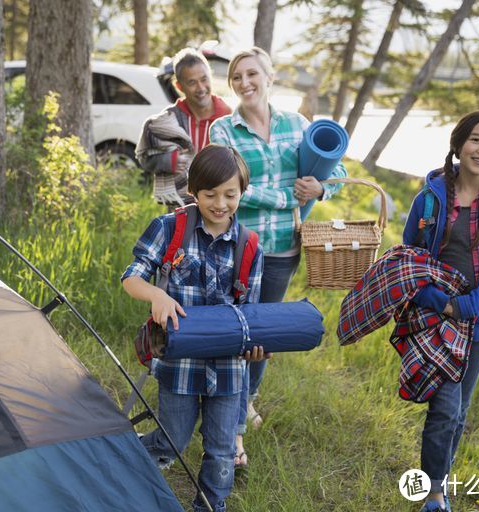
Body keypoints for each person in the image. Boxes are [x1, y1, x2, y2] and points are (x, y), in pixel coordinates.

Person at [209, 47, 346, 459]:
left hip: (283, 249)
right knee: (236, 328)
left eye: (253, 74)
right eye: (237, 77)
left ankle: (247, 396)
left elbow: (335, 169)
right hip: (238, 248)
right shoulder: (223, 130)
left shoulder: (296, 123)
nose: (245, 83)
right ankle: (226, 414)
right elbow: (233, 187)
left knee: (264, 332)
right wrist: (289, 197)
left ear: (269, 77)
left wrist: (322, 189)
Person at [122, 144, 265, 512]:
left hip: (229, 369)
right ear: (193, 191)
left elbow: (252, 314)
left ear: (241, 193)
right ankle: (122, 460)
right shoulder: (170, 228)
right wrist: (155, 294)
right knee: (172, 441)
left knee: (220, 452)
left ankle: (210, 506)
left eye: (230, 194)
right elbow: (131, 277)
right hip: (179, 365)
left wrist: (255, 345)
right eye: (210, 194)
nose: (220, 203)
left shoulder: (250, 246)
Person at [402, 111, 479, 511]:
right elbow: (410, 257)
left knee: (459, 411)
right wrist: (439, 302)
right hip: (435, 317)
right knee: (444, 408)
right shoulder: (431, 196)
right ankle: (434, 495)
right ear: (458, 144)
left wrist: (467, 305)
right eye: (477, 140)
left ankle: (439, 482)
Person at [136, 48, 232, 210]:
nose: (201, 88)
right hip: (180, 208)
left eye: (204, 79)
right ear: (179, 86)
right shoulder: (167, 121)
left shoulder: (229, 117)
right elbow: (143, 157)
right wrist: (167, 161)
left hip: (220, 208)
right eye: (192, 82)